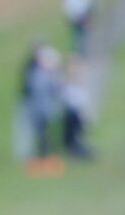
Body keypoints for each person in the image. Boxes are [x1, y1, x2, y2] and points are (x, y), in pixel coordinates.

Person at [19, 41, 65, 177]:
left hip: (46, 110)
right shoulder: (36, 74)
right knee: (41, 136)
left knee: (46, 136)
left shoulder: (43, 74)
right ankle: (41, 159)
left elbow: (55, 90)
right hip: (39, 110)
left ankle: (46, 159)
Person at [61, 56, 95, 160]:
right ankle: (73, 152)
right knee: (72, 136)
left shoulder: (80, 84)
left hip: (76, 113)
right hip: (71, 113)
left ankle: (78, 151)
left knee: (78, 135)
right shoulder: (67, 83)